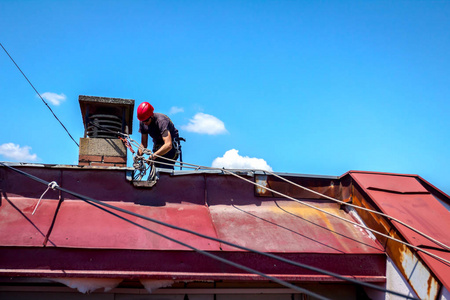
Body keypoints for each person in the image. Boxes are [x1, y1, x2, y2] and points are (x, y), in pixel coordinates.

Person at [137, 102, 180, 169]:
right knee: (154, 172)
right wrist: (138, 157)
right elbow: (143, 144)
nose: (145, 123)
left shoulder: (161, 121)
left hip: (170, 148)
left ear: (151, 116)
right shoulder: (143, 121)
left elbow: (168, 145)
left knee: (163, 171)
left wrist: (152, 156)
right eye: (143, 121)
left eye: (146, 120)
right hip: (158, 146)